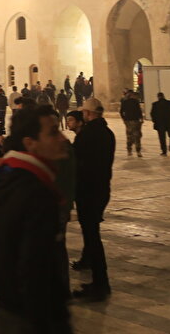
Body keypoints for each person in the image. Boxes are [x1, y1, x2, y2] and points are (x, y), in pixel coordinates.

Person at [0, 106, 72, 334]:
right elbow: (34, 266)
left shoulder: (9, 177)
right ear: (30, 143)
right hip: (29, 317)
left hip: (10, 308)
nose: (62, 138)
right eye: (53, 132)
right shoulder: (34, 192)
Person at [71, 96, 113, 300]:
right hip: (101, 190)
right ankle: (93, 270)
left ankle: (100, 283)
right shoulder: (107, 132)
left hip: (88, 191)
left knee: (92, 236)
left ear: (88, 114)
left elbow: (76, 160)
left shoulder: (88, 134)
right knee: (92, 233)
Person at [150, 91, 170, 156]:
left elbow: (152, 114)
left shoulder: (155, 104)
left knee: (162, 138)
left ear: (158, 97)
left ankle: (164, 152)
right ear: (164, 96)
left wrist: (155, 121)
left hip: (160, 124)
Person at [119, 90, 144, 157]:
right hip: (135, 120)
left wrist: (124, 119)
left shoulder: (125, 102)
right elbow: (139, 111)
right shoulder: (135, 102)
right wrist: (141, 118)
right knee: (136, 136)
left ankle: (130, 150)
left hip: (129, 120)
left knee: (130, 135)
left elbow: (121, 111)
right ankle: (137, 151)